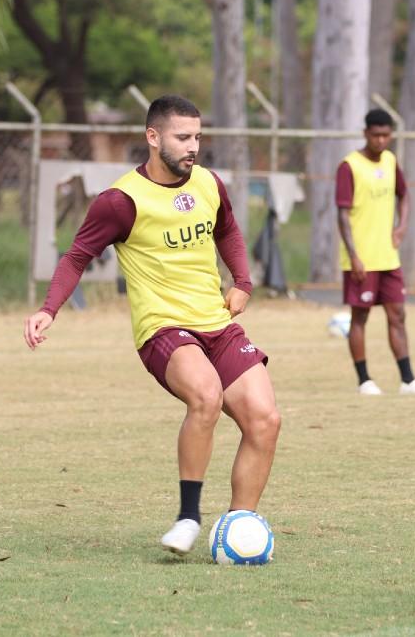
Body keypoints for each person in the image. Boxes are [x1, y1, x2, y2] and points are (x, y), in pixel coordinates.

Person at [24, 95, 282, 556]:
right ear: (153, 137)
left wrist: (242, 280)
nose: (193, 146)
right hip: (163, 329)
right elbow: (77, 256)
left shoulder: (207, 183)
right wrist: (49, 309)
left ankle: (239, 529)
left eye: (198, 136)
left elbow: (228, 230)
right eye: (183, 137)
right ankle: (188, 517)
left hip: (216, 324)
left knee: (265, 420)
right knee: (206, 396)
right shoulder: (121, 201)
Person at [335, 108, 415, 396]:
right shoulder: (349, 166)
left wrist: (402, 226)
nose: (381, 141)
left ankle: (408, 380)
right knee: (360, 318)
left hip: (388, 258)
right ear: (365, 134)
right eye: (376, 135)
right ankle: (364, 380)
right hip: (360, 259)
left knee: (398, 315)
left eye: (386, 135)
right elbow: (342, 215)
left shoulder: (391, 161)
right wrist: (354, 255)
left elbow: (404, 194)